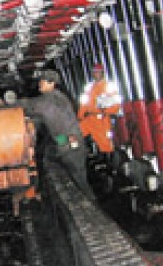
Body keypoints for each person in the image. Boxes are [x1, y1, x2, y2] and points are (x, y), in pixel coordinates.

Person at [18, 69, 94, 199]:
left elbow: (31, 105)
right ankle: (87, 200)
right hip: (68, 141)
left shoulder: (51, 100)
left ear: (52, 83)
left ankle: (90, 204)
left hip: (72, 144)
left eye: (43, 81)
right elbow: (43, 119)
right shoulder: (57, 98)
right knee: (75, 177)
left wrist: (7, 104)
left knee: (78, 180)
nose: (40, 83)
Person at [77, 63, 121, 154]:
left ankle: (108, 159)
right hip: (89, 119)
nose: (96, 74)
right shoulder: (89, 87)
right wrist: (80, 116)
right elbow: (84, 103)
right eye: (94, 72)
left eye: (98, 72)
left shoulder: (109, 86)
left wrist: (106, 112)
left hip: (103, 120)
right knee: (74, 134)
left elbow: (116, 105)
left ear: (102, 73)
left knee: (106, 144)